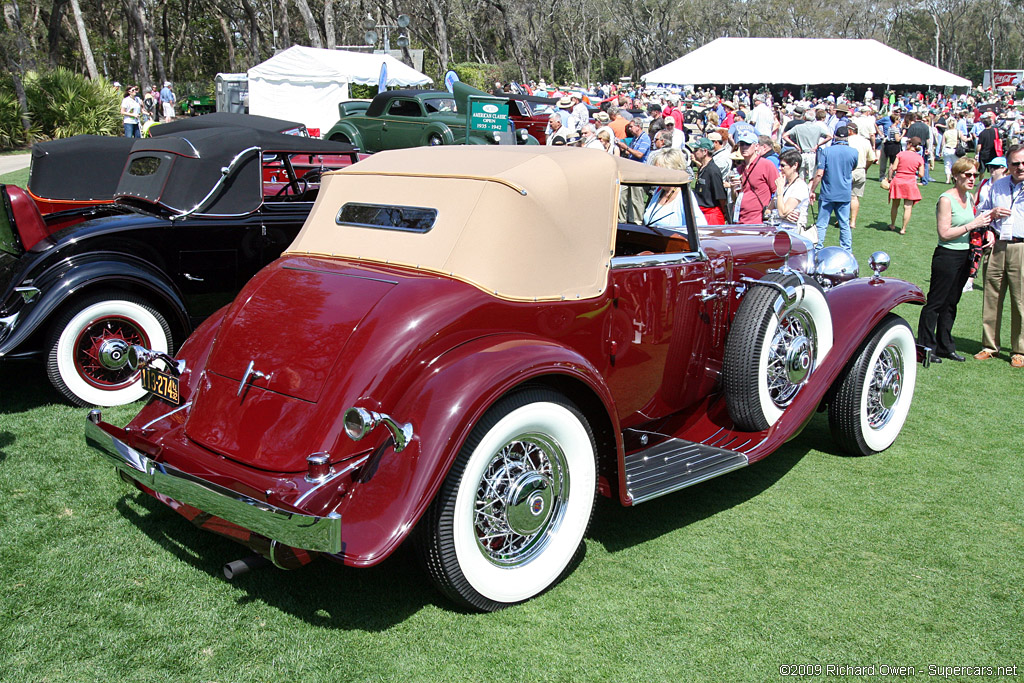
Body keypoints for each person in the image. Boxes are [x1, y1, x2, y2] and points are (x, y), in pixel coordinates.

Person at [917, 157, 994, 363]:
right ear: (956, 175)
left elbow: (973, 225)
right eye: (967, 174)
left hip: (965, 255)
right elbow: (944, 233)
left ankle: (945, 346)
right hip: (947, 255)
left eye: (974, 175)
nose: (971, 179)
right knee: (936, 302)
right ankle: (926, 346)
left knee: (952, 303)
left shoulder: (968, 197)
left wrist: (986, 231)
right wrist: (973, 224)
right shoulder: (946, 199)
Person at [973, 143, 1024, 368]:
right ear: (1008, 165)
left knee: (1020, 300)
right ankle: (989, 346)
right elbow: (980, 211)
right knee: (991, 297)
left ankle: (1019, 350)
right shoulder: (998, 185)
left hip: (1021, 247)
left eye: (1023, 163)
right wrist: (991, 216)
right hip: (996, 245)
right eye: (1015, 163)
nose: (1020, 167)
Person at [809, 125, 858, 251]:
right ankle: (847, 250)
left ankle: (818, 248)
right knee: (844, 224)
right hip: (844, 193)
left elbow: (819, 173)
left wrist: (812, 190)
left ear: (835, 136)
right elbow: (852, 167)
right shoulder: (854, 152)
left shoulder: (827, 151)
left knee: (822, 224)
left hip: (828, 193)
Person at [728, 129, 779, 225]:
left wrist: (769, 210)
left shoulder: (766, 165)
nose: (744, 147)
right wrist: (733, 188)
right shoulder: (739, 169)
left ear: (756, 146)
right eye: (741, 144)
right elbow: (736, 198)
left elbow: (777, 191)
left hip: (758, 221)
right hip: (739, 219)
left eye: (747, 144)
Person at [886, 136, 925, 234]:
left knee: (895, 205)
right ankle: (903, 229)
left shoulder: (901, 154)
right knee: (908, 207)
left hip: (898, 180)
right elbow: (921, 174)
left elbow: (894, 167)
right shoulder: (919, 158)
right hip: (910, 182)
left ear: (910, 144)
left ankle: (892, 224)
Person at [772, 149, 812, 242]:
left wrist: (780, 191)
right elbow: (768, 211)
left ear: (795, 165)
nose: (779, 168)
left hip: (793, 235)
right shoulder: (783, 184)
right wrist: (783, 215)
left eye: (783, 165)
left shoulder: (799, 187)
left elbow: (782, 211)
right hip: (778, 231)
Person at [690, 137, 729, 225]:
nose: (693, 153)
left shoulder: (713, 170)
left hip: (711, 216)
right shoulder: (703, 168)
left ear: (705, 151)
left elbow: (721, 197)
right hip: (701, 213)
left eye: (696, 150)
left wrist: (724, 213)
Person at [846, 122, 875, 230]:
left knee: (844, 196)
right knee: (854, 197)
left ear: (850, 131)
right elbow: (872, 158)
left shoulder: (847, 140)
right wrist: (865, 168)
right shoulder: (865, 141)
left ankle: (843, 219)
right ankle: (852, 221)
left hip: (848, 170)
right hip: (860, 170)